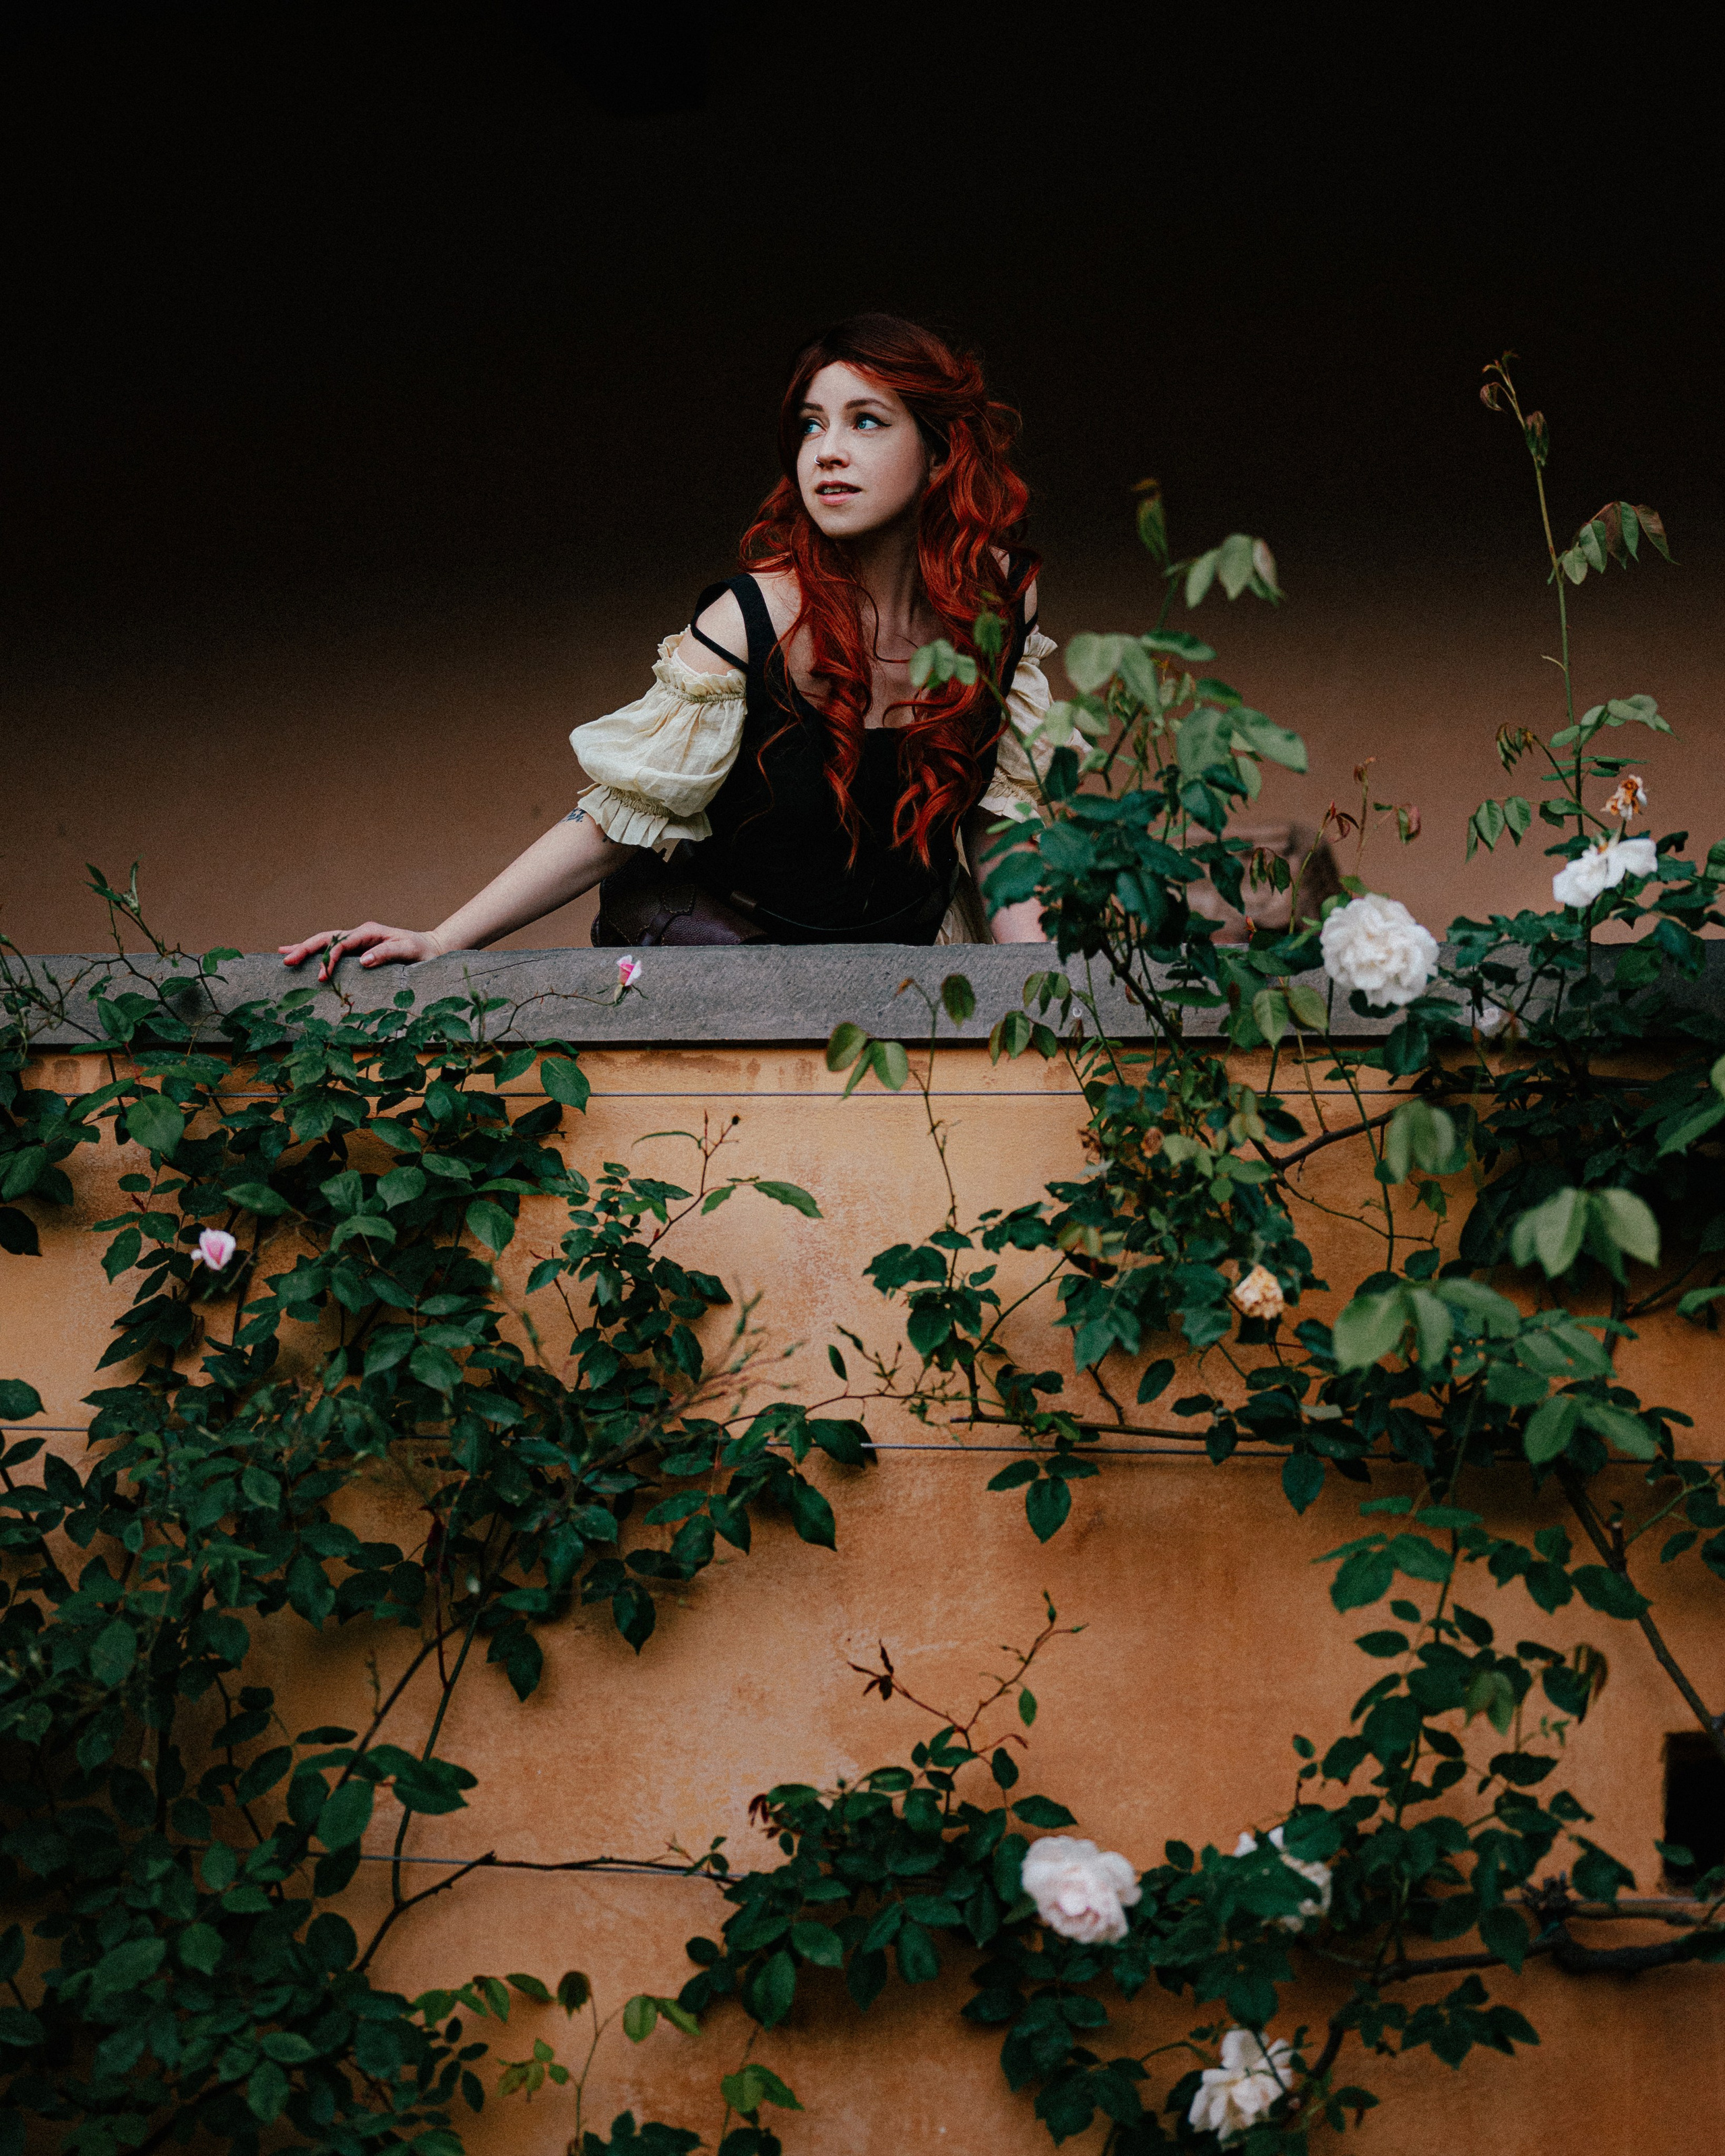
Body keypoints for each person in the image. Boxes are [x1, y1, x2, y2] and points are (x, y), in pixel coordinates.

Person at [280, 313, 1056, 978]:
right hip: (717, 936)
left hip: (893, 940)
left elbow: (996, 808)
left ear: (939, 452)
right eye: (811, 424)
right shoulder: (748, 617)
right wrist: (443, 938)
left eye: (866, 421)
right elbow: (616, 821)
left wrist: (1040, 984)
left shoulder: (997, 596)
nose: (826, 450)